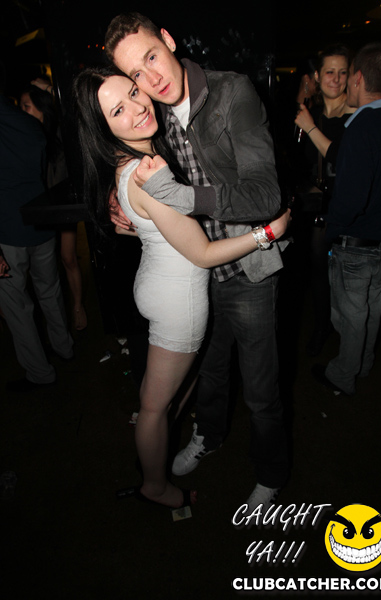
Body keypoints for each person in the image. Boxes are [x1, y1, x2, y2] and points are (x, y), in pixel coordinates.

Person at [71, 66, 290, 510]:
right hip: (182, 294)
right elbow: (201, 252)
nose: (138, 107)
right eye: (117, 110)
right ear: (104, 128)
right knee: (160, 402)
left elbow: (162, 218)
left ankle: (260, 470)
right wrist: (268, 233)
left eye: (134, 92)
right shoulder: (144, 168)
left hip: (192, 281)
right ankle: (160, 480)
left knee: (236, 387)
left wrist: (134, 216)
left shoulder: (156, 142)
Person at [311, 42, 381, 397]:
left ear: (358, 78)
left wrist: (331, 227)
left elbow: (351, 199)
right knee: (371, 314)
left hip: (356, 244)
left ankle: (342, 375)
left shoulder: (361, 128)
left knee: (349, 317)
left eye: (346, 74)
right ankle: (363, 364)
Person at [0, 64, 74, 392]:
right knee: (49, 290)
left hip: (8, 231)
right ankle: (64, 347)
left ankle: (40, 373)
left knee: (17, 306)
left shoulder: (16, 123)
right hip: (41, 223)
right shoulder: (32, 126)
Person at [293, 45, 355, 356]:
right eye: (329, 72)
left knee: (346, 275)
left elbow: (342, 158)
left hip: (346, 206)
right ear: (317, 76)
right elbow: (296, 156)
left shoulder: (356, 115)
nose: (336, 79)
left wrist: (310, 127)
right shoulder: (311, 113)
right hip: (318, 207)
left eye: (343, 72)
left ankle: (347, 338)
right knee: (318, 269)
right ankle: (321, 326)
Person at [20, 80, 87, 331]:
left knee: (68, 257)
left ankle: (78, 306)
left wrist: (50, 89)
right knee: (48, 266)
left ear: (41, 108)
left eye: (27, 106)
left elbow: (74, 109)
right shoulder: (26, 136)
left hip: (64, 205)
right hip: (41, 207)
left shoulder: (59, 132)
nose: (22, 112)